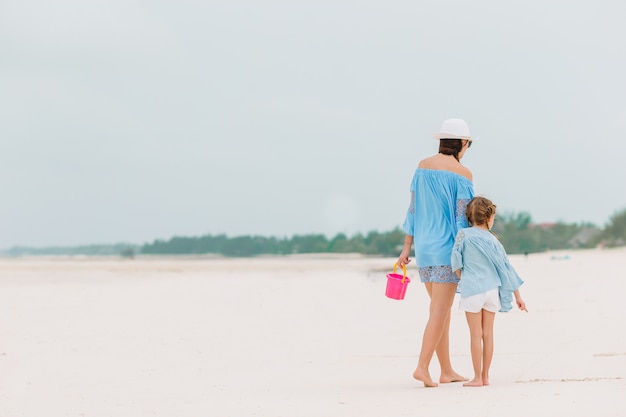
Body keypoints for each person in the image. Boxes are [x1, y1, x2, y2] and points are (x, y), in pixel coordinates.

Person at [396, 118, 475, 387]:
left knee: (439, 310)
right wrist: (468, 252)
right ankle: (422, 367)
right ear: (463, 143)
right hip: (446, 249)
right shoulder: (463, 174)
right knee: (439, 311)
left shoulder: (422, 167)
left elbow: (413, 209)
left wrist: (407, 247)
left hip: (424, 249)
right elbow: (462, 220)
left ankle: (447, 370)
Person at [451, 196, 528, 387]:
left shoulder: (463, 234)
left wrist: (464, 278)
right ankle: (485, 377)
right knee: (488, 334)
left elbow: (456, 262)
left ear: (470, 217)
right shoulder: (494, 241)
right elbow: (506, 267)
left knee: (475, 335)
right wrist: (518, 296)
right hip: (492, 291)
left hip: (473, 290)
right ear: (489, 217)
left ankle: (476, 378)